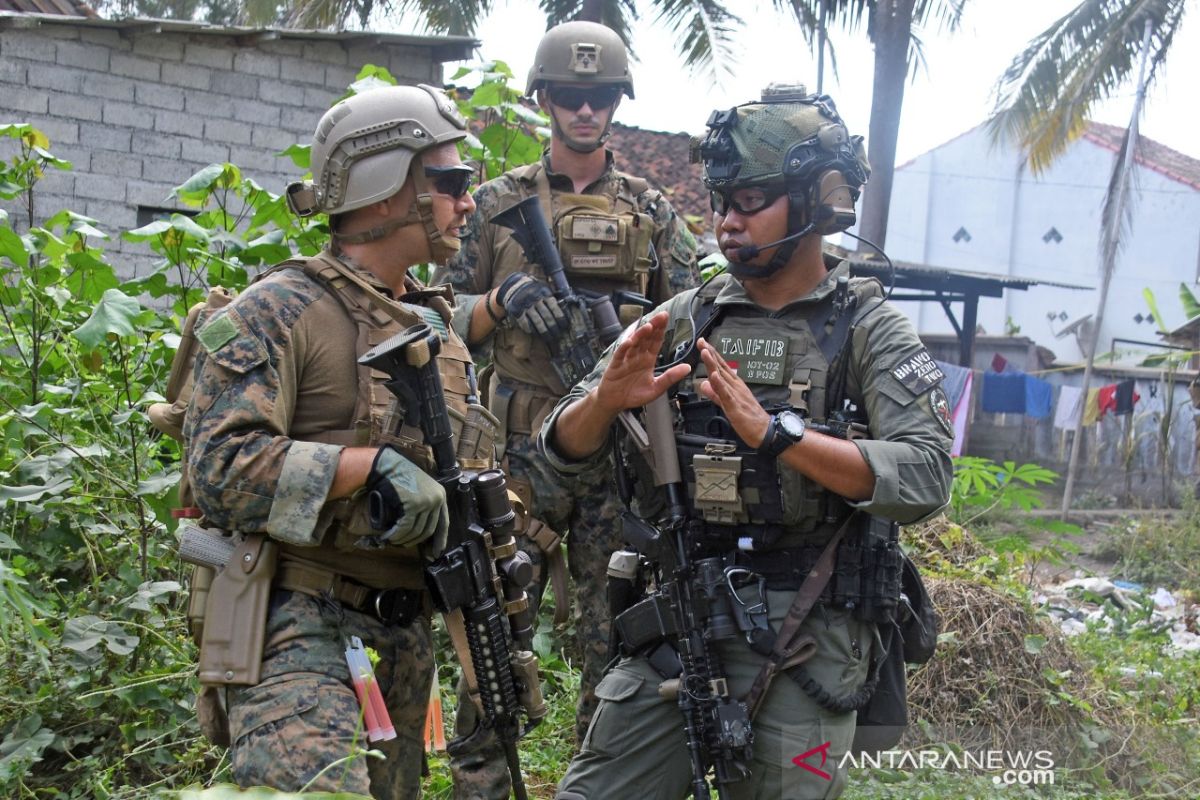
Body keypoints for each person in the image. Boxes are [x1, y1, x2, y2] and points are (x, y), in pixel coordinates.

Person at [539, 84, 954, 799]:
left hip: (810, 633)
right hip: (680, 613)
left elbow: (923, 476)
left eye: (751, 202)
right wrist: (606, 402)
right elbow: (557, 450)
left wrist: (779, 437)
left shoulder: (868, 328)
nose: (728, 223)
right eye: (721, 202)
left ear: (816, 200)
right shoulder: (690, 316)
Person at [183, 84, 482, 796]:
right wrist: (365, 467)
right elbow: (218, 467)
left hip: (403, 639)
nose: (466, 201)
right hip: (299, 627)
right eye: (449, 182)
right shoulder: (280, 311)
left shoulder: (437, 332)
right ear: (386, 189)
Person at [432, 19, 700, 798]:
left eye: (601, 98)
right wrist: (498, 303)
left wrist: (629, 325)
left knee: (615, 643)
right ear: (545, 99)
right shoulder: (497, 205)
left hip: (619, 460)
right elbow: (424, 320)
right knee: (490, 630)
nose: (586, 112)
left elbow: (690, 320)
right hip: (515, 464)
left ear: (618, 103)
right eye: (572, 98)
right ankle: (482, 785)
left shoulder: (653, 212)